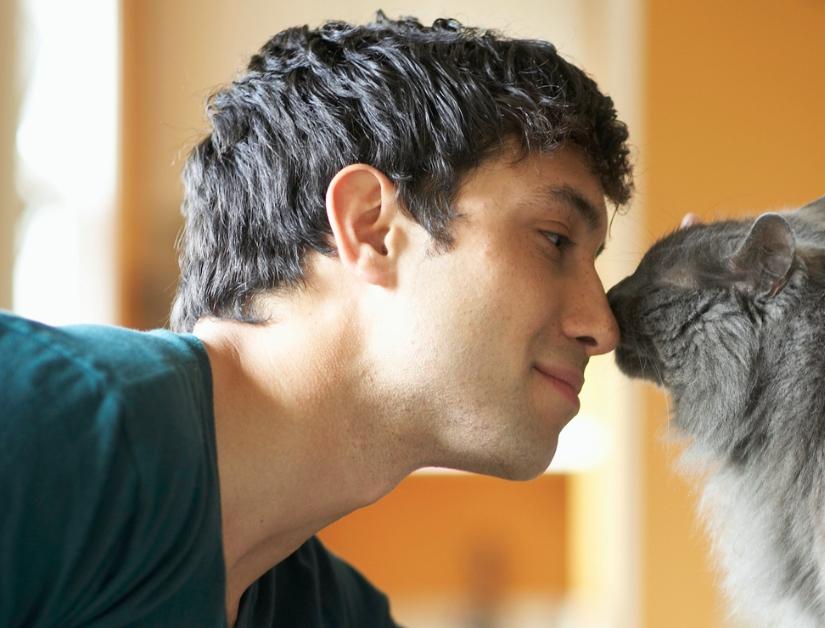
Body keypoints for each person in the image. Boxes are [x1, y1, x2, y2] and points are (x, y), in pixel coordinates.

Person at [0, 12, 632, 627]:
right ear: (372, 229)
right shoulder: (38, 422)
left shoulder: (338, 613)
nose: (601, 325)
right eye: (554, 240)